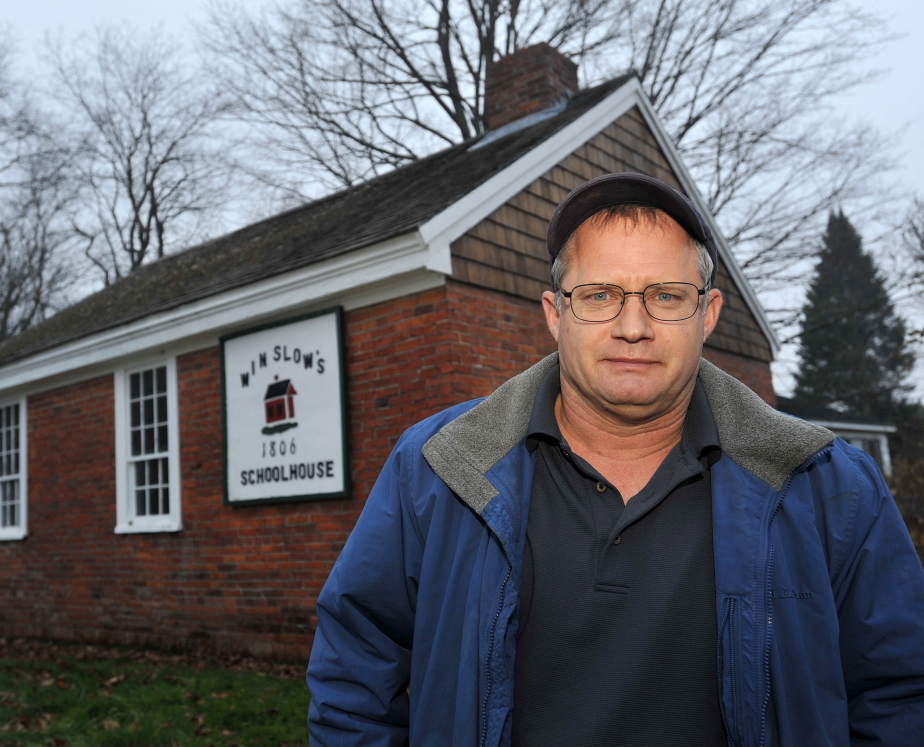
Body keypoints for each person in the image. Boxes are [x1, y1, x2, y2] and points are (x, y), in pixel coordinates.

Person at [306, 172, 924, 746]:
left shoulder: (828, 485)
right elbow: (355, 676)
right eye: (600, 294)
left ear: (707, 315)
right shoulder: (438, 467)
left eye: (667, 295)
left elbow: (900, 693)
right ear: (556, 315)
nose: (634, 325)